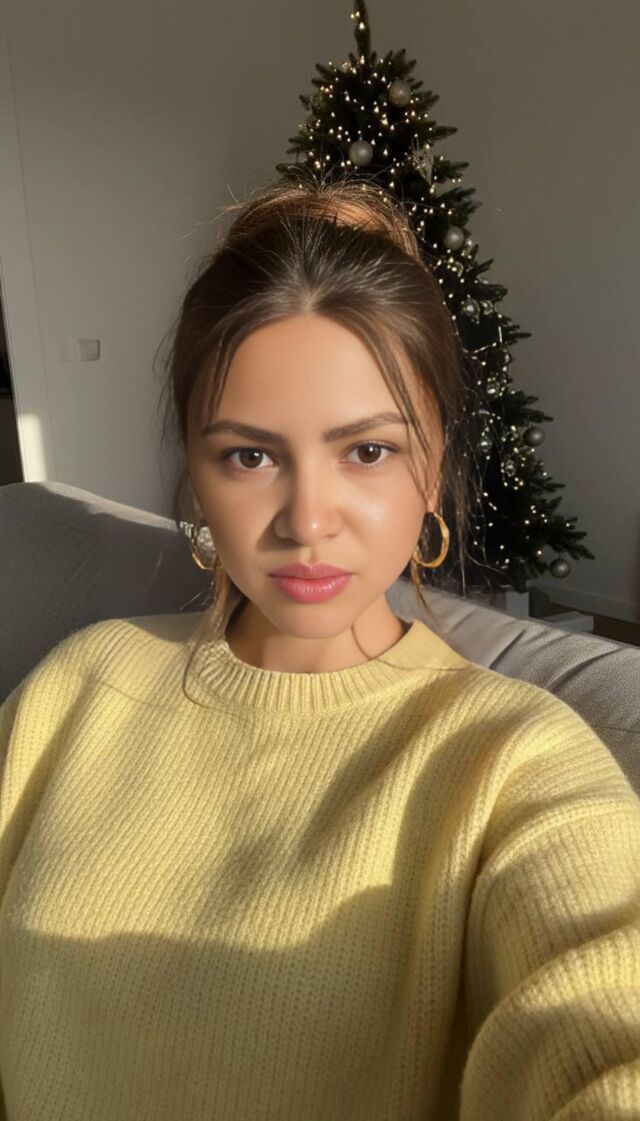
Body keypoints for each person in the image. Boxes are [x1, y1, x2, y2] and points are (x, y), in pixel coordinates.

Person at [0, 172, 639, 1121]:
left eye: (367, 451)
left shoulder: (514, 762)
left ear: (434, 465)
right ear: (197, 474)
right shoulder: (78, 687)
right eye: (249, 455)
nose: (307, 521)